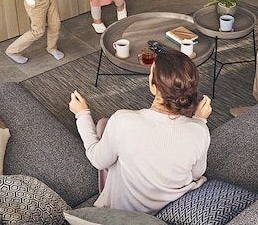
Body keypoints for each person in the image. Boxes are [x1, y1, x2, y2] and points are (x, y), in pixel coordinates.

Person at [68, 50, 212, 214]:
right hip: (166, 206)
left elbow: (98, 160)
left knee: (104, 127)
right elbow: (196, 173)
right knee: (104, 125)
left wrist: (82, 114)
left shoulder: (123, 120)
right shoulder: (199, 131)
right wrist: (199, 121)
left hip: (122, 211)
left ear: (154, 87)